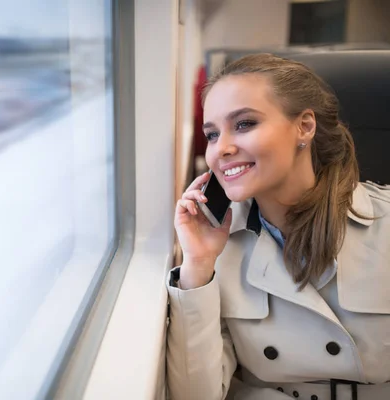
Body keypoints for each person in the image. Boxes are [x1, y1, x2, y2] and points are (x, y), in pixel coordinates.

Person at [166, 53, 390, 400]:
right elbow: (198, 395)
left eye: (244, 124)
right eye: (211, 134)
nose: (220, 149)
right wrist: (198, 264)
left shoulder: (384, 223)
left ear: (304, 127)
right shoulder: (215, 246)